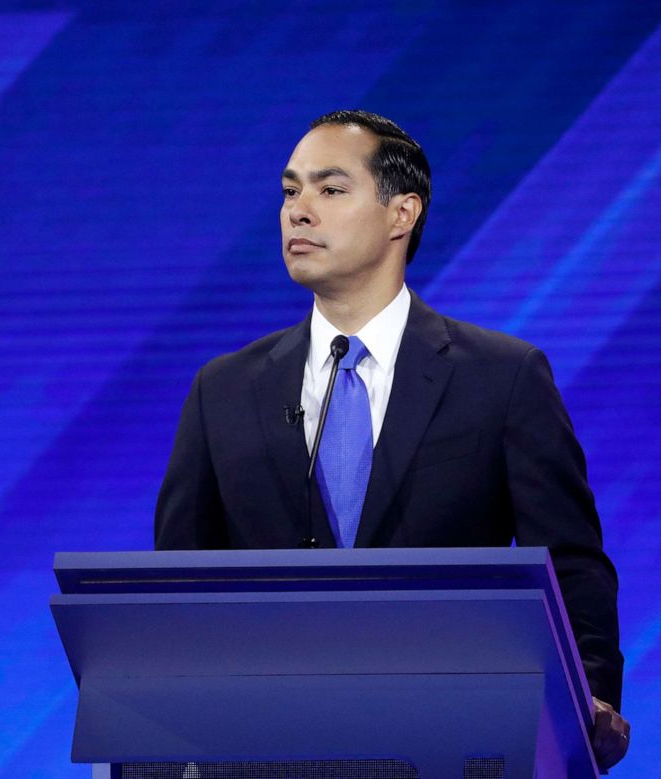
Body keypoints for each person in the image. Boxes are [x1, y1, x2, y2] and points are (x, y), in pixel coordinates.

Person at [155, 110, 630, 770]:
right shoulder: (223, 390)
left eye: (330, 189)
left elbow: (571, 562)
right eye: (291, 191)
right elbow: (179, 587)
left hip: (451, 747)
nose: (299, 211)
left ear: (401, 213)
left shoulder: (502, 377)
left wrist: (588, 705)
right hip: (264, 753)